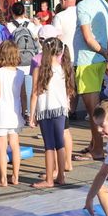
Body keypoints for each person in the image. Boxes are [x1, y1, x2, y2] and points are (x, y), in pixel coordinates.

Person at [72, 0, 108, 160]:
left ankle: (98, 149)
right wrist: (107, 54)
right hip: (97, 60)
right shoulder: (102, 2)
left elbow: (88, 38)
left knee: (92, 111)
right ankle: (93, 144)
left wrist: (104, 53)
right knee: (95, 107)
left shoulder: (82, 5)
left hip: (87, 61)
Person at [28, 36, 74, 188]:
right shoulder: (64, 68)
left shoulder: (39, 70)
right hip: (60, 109)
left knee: (49, 145)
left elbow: (34, 94)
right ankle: (61, 176)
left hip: (45, 110)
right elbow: (67, 90)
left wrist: (32, 115)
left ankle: (49, 179)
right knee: (60, 144)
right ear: (60, 52)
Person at [0, 40, 24, 186]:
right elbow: (23, 95)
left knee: (1, 148)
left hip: (1, 112)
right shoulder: (20, 73)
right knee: (15, 145)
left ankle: (3, 178)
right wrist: (25, 111)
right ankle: (15, 176)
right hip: (15, 112)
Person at [53, 0, 78, 65]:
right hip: (82, 57)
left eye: (60, 1)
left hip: (66, 56)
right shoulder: (82, 13)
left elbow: (57, 38)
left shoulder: (59, 16)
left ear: (64, 0)